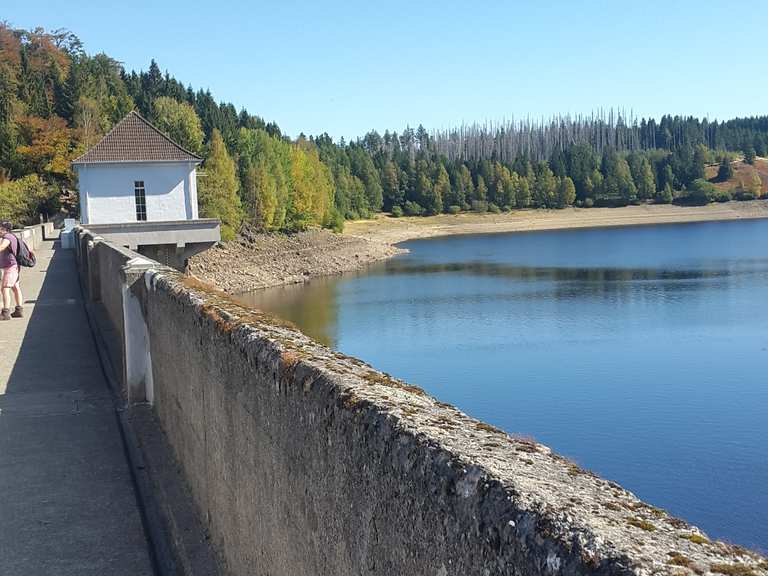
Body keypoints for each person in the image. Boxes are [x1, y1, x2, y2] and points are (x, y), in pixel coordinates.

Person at [0, 221, 24, 321]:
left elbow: (1, 247)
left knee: (5, 288)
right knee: (15, 288)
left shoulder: (7, 237)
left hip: (10, 267)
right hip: (14, 266)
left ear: (3, 228)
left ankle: (5, 313)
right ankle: (19, 310)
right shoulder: (12, 236)